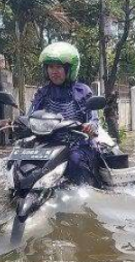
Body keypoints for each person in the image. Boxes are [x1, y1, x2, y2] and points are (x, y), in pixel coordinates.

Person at [29, 42, 100, 186]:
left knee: (75, 161)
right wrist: (14, 123)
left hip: (78, 144)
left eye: (59, 67)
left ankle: (83, 196)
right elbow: (30, 115)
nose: (54, 71)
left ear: (69, 69)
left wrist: (90, 127)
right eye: (50, 67)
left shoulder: (82, 91)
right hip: (47, 144)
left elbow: (94, 119)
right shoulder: (42, 93)